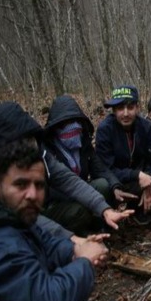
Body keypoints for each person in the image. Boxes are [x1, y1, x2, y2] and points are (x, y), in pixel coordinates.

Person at [0, 138, 110, 301]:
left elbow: (46, 243)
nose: (32, 195)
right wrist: (85, 261)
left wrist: (76, 249)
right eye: (21, 184)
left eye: (39, 185)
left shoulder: (11, 217)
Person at [0, 101, 132, 239]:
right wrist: (71, 239)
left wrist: (104, 209)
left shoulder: (39, 152)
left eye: (31, 140)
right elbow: (16, 217)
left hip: (43, 212)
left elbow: (69, 180)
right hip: (10, 233)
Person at [43, 95, 137, 234]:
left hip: (82, 192)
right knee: (79, 211)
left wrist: (115, 186)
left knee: (104, 185)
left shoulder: (83, 143)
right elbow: (50, 190)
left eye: (76, 121)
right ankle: (78, 235)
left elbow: (99, 168)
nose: (72, 127)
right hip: (58, 202)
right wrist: (83, 197)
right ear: (56, 127)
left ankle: (100, 226)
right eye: (66, 123)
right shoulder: (47, 152)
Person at [95, 85, 151, 223]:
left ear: (137, 108)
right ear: (114, 111)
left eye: (130, 107)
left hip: (140, 179)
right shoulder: (105, 129)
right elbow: (104, 168)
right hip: (116, 181)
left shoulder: (145, 127)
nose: (126, 113)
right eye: (121, 108)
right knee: (102, 185)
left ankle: (141, 209)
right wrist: (136, 175)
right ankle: (104, 218)